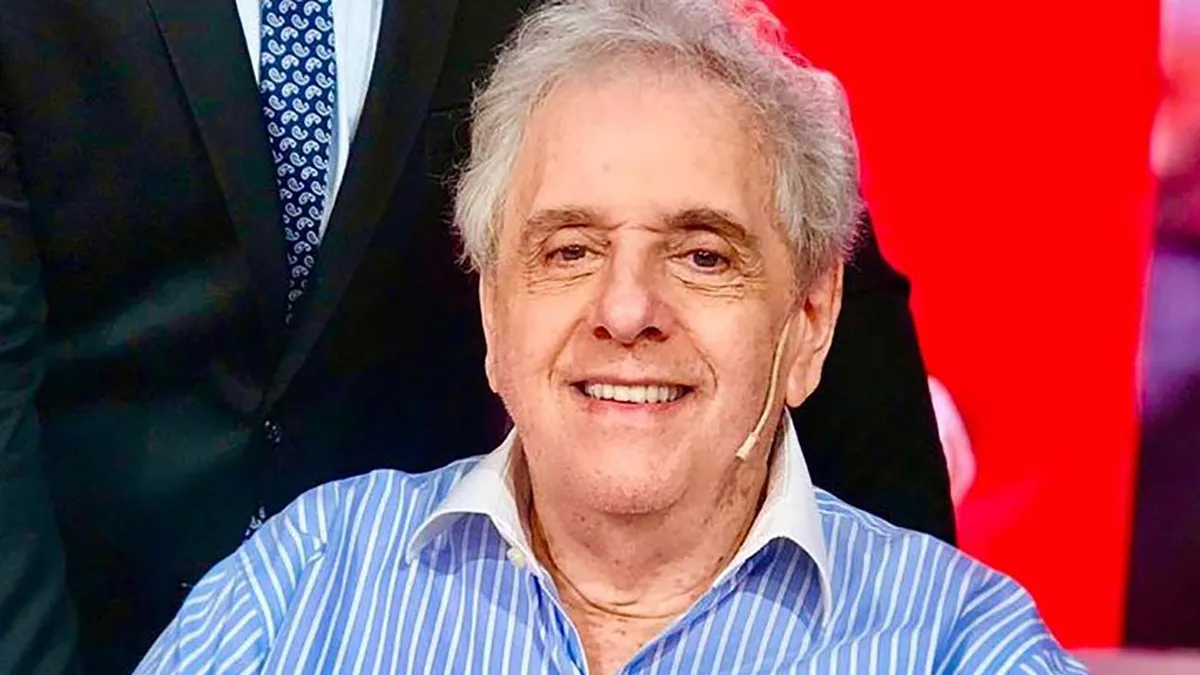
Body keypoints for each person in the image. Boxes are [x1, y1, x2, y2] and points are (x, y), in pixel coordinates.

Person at [0, 1, 950, 673]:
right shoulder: (290, 579)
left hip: (489, 609)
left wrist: (903, 623)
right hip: (96, 610)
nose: (627, 308)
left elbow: (777, 224)